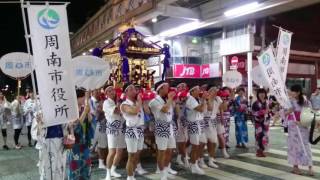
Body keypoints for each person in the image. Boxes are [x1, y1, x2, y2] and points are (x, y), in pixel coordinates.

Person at [149, 81, 177, 180]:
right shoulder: (154, 101)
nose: (168, 89)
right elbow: (164, 110)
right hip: (161, 127)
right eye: (166, 87)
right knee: (162, 151)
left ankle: (166, 169)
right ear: (160, 89)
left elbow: (173, 110)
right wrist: (170, 99)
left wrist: (172, 100)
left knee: (170, 150)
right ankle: (162, 174)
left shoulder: (166, 100)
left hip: (170, 127)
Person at [286, 85, 314, 176]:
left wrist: (301, 122)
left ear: (298, 92)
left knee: (306, 146)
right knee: (294, 147)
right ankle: (295, 167)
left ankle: (310, 167)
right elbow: (284, 113)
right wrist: (288, 112)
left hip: (303, 127)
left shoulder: (306, 102)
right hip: (293, 127)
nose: (291, 93)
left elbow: (310, 114)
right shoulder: (289, 102)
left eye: (292, 91)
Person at [67, 89, 93, 180]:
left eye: (83, 97)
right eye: (82, 97)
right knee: (75, 165)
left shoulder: (84, 108)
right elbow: (74, 126)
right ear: (76, 98)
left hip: (84, 141)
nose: (83, 99)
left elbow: (90, 121)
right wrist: (85, 112)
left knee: (86, 164)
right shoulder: (70, 110)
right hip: (75, 143)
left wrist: (88, 111)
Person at [120, 83, 145, 180]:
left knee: (137, 154)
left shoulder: (137, 102)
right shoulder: (124, 104)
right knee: (131, 155)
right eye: (131, 89)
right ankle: (129, 177)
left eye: (134, 89)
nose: (134, 90)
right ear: (126, 92)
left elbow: (146, 112)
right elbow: (134, 111)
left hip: (140, 130)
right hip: (131, 131)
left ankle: (132, 172)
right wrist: (139, 101)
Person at [185, 85, 208, 175]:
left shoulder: (197, 99)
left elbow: (204, 111)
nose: (199, 91)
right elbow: (200, 109)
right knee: (195, 146)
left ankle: (194, 161)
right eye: (197, 90)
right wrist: (203, 100)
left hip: (200, 123)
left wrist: (203, 100)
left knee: (202, 143)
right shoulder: (190, 100)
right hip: (194, 124)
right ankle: (193, 165)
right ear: (192, 91)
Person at [104, 85, 126, 180]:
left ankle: (113, 169)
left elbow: (124, 112)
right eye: (109, 91)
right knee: (112, 151)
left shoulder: (118, 101)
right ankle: (107, 173)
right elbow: (117, 111)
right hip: (112, 129)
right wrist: (120, 102)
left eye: (112, 90)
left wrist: (120, 102)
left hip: (121, 128)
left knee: (120, 151)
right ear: (106, 94)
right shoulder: (106, 102)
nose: (112, 92)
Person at [200, 86, 220, 168]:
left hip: (213, 124)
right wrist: (206, 100)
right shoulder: (204, 100)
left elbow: (224, 107)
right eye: (213, 91)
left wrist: (226, 99)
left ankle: (211, 160)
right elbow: (209, 108)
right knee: (202, 143)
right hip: (204, 124)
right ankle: (200, 160)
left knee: (214, 143)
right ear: (209, 92)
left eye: (216, 91)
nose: (215, 93)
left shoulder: (217, 100)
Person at [252, 88, 270, 157]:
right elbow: (253, 113)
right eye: (260, 93)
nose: (262, 94)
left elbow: (272, 111)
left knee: (265, 135)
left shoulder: (267, 102)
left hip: (266, 122)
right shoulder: (255, 103)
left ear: (265, 94)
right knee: (259, 135)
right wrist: (261, 112)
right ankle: (259, 150)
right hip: (258, 122)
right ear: (258, 94)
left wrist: (269, 112)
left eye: (263, 93)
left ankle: (263, 150)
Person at [175, 83, 189, 167]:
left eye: (184, 86)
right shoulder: (174, 97)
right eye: (181, 86)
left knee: (185, 140)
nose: (183, 88)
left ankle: (179, 157)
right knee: (181, 141)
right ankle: (185, 158)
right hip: (177, 121)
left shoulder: (187, 97)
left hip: (185, 121)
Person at [94, 98, 108, 170]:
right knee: (100, 146)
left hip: (105, 129)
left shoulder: (104, 108)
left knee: (104, 147)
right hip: (100, 129)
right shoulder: (98, 109)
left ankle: (102, 162)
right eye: (102, 102)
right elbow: (98, 116)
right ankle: (100, 163)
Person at [216, 90, 230, 158]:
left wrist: (221, 117)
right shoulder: (217, 98)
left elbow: (223, 109)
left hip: (218, 119)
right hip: (211, 119)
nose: (224, 97)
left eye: (225, 96)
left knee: (221, 135)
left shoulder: (220, 100)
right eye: (222, 96)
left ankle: (224, 151)